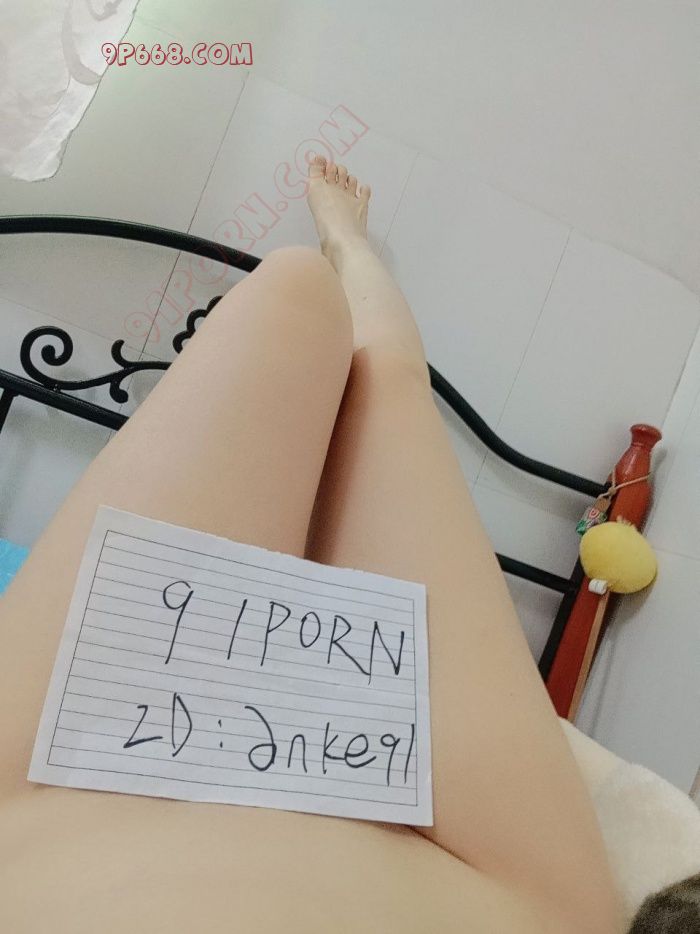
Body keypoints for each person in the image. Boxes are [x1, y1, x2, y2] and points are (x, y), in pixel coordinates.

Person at [0, 156, 624, 933]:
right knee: (360, 356)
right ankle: (348, 248)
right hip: (510, 903)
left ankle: (339, 255)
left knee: (298, 297)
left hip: (39, 827)